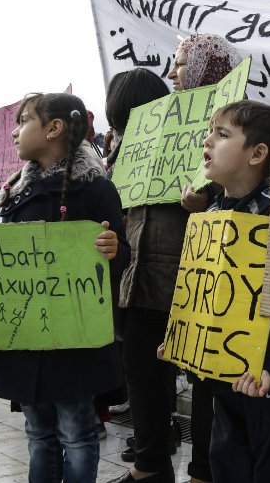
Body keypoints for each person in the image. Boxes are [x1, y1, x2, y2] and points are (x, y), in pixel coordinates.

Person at [0, 92, 130, 482]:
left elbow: (122, 256)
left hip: (75, 342)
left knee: (77, 434)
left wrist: (113, 249)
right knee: (37, 433)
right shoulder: (16, 193)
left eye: (23, 122)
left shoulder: (96, 189)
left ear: (54, 129)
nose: (15, 133)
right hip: (24, 335)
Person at [201, 100, 270, 482]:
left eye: (221, 134)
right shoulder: (211, 217)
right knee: (227, 459)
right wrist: (184, 342)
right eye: (210, 133)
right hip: (222, 369)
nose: (207, 142)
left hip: (269, 374)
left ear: (257, 153)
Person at [171, 33, 243, 483]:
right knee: (202, 385)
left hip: (232, 286)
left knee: (231, 395)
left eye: (181, 63)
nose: (173, 73)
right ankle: (201, 470)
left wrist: (210, 203)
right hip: (196, 280)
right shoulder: (170, 125)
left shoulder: (245, 126)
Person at [104, 69, 179, 483]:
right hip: (137, 268)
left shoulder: (185, 139)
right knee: (144, 371)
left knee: (149, 371)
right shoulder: (119, 149)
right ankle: (152, 462)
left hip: (168, 269)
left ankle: (152, 464)